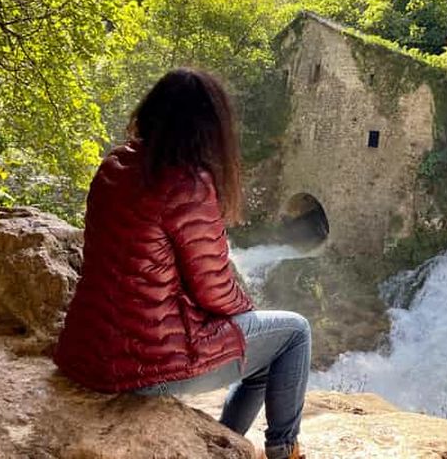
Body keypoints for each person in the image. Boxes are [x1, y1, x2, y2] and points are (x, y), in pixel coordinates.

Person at [54, 68, 311, 459]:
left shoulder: (114, 165)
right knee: (294, 334)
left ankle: (225, 444)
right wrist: (247, 315)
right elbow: (215, 291)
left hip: (86, 351)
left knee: (261, 353)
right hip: (144, 365)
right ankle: (283, 450)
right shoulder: (187, 184)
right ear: (208, 128)